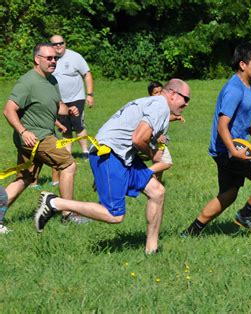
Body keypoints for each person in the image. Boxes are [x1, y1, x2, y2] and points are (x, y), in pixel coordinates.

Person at [34, 79, 190, 254]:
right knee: (114, 215)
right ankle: (55, 202)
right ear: (173, 94)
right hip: (110, 154)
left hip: (120, 155)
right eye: (186, 99)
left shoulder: (154, 104)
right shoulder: (159, 106)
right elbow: (138, 139)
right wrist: (154, 154)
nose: (186, 104)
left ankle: (151, 250)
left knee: (157, 192)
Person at [181, 42, 251, 236]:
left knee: (228, 194)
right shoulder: (234, 90)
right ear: (243, 65)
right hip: (230, 150)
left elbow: (244, 121)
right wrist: (234, 151)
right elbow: (222, 125)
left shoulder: (246, 84)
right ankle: (246, 214)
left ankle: (191, 232)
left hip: (227, 149)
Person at [1, 42, 78, 234]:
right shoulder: (27, 82)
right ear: (37, 59)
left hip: (42, 135)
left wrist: (69, 110)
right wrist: (23, 132)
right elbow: (8, 109)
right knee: (68, 164)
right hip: (35, 137)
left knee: (25, 178)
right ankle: (68, 213)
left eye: (55, 58)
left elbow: (56, 105)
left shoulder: (51, 81)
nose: (53, 61)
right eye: (49, 58)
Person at [50, 35, 94, 158]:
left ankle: (85, 152)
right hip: (59, 100)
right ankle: (67, 154)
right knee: (65, 127)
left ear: (65, 43)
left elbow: (87, 74)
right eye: (55, 44)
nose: (58, 45)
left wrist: (90, 95)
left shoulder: (75, 57)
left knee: (78, 124)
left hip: (76, 97)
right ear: (51, 46)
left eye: (61, 43)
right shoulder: (49, 59)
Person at [145, 81, 185, 182]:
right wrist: (156, 136)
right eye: (155, 92)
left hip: (160, 140)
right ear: (150, 95)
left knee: (158, 168)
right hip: (155, 140)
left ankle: (155, 185)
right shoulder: (152, 106)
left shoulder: (162, 105)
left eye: (160, 91)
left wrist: (175, 117)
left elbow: (165, 118)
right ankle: (142, 174)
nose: (158, 94)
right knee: (167, 162)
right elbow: (148, 124)